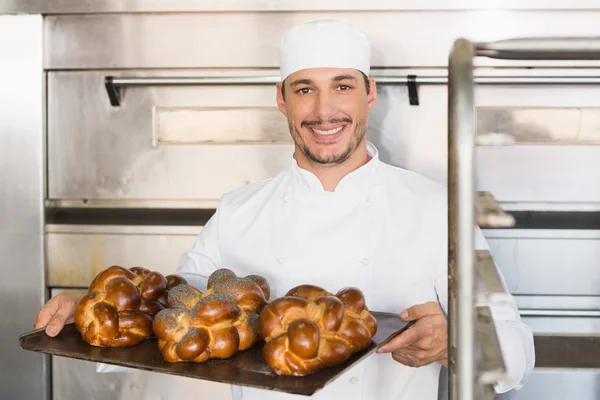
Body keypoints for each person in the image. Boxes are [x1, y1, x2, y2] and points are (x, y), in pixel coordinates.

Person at [34, 19, 535, 400]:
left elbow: (516, 348)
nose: (323, 111)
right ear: (281, 99)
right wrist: (88, 311)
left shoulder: (435, 209)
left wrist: (456, 341)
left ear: (370, 95)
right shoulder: (237, 211)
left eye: (342, 86)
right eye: (304, 90)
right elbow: (168, 316)